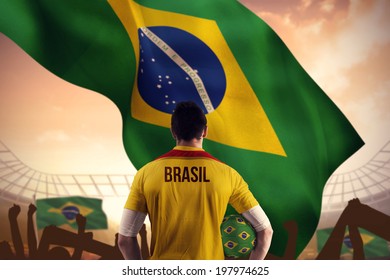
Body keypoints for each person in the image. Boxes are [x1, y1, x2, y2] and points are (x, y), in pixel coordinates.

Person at [118, 101, 273, 260]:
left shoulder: (146, 174)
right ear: (205, 131)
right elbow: (266, 231)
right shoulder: (229, 175)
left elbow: (125, 239)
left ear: (173, 132)